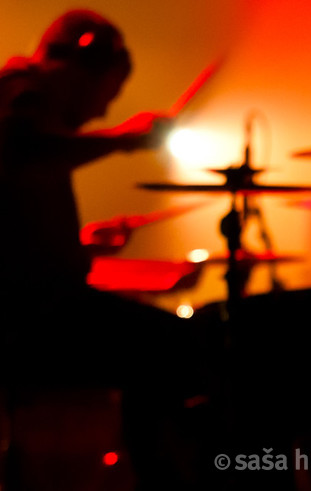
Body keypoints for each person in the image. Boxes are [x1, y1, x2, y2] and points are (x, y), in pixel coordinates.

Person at [0, 10, 207, 490]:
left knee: (162, 344)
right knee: (173, 345)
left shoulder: (29, 107)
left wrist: (82, 248)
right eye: (105, 94)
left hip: (36, 309)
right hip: (27, 320)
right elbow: (20, 154)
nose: (101, 114)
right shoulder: (19, 90)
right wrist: (123, 139)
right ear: (75, 66)